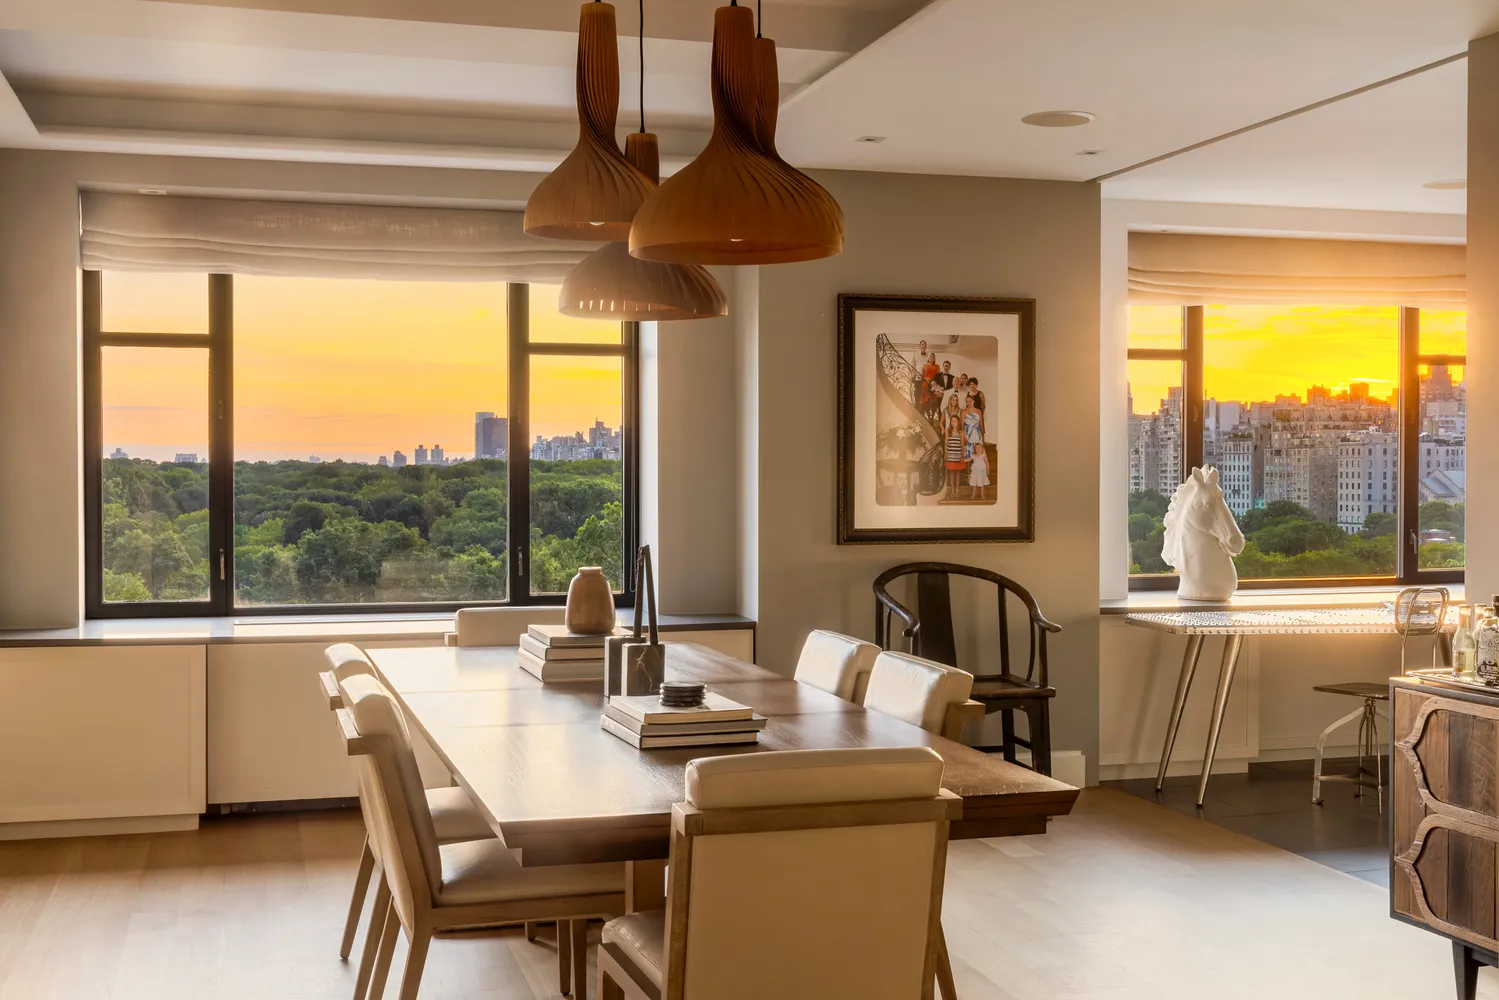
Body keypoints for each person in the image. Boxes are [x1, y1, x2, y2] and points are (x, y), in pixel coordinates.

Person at [961, 392, 986, 500]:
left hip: (977, 434)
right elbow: (961, 425)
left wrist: (983, 438)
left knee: (978, 454)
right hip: (968, 434)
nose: (968, 402)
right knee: (969, 454)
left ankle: (979, 475)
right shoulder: (964, 412)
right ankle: (969, 476)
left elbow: (981, 424)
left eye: (970, 401)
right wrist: (964, 437)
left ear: (973, 401)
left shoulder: (978, 411)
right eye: (966, 401)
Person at [943, 394, 966, 499]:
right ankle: (952, 489)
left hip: (958, 455)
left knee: (957, 473)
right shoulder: (948, 431)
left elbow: (962, 444)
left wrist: (962, 455)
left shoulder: (961, 432)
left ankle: (957, 489)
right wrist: (945, 454)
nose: (953, 423)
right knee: (951, 472)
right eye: (952, 421)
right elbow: (946, 442)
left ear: (958, 422)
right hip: (950, 455)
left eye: (955, 421)